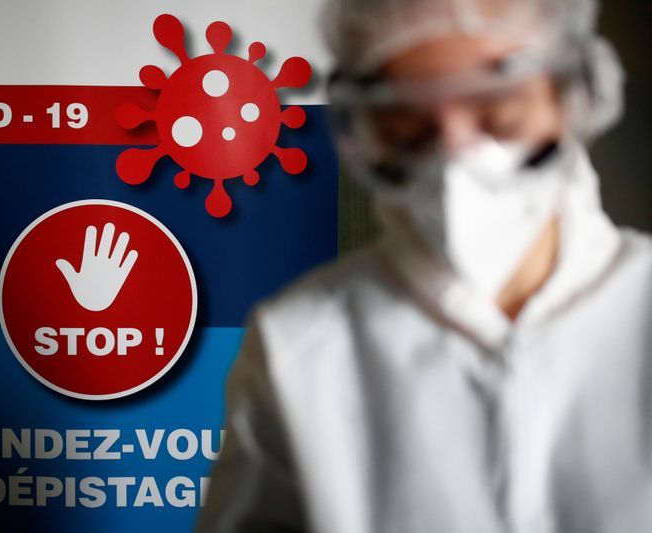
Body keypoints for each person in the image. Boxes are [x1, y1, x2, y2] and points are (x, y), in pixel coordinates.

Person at [197, 0, 652, 531]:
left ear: (575, 96)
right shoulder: (300, 348)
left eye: (498, 108)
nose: (455, 152)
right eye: (408, 123)